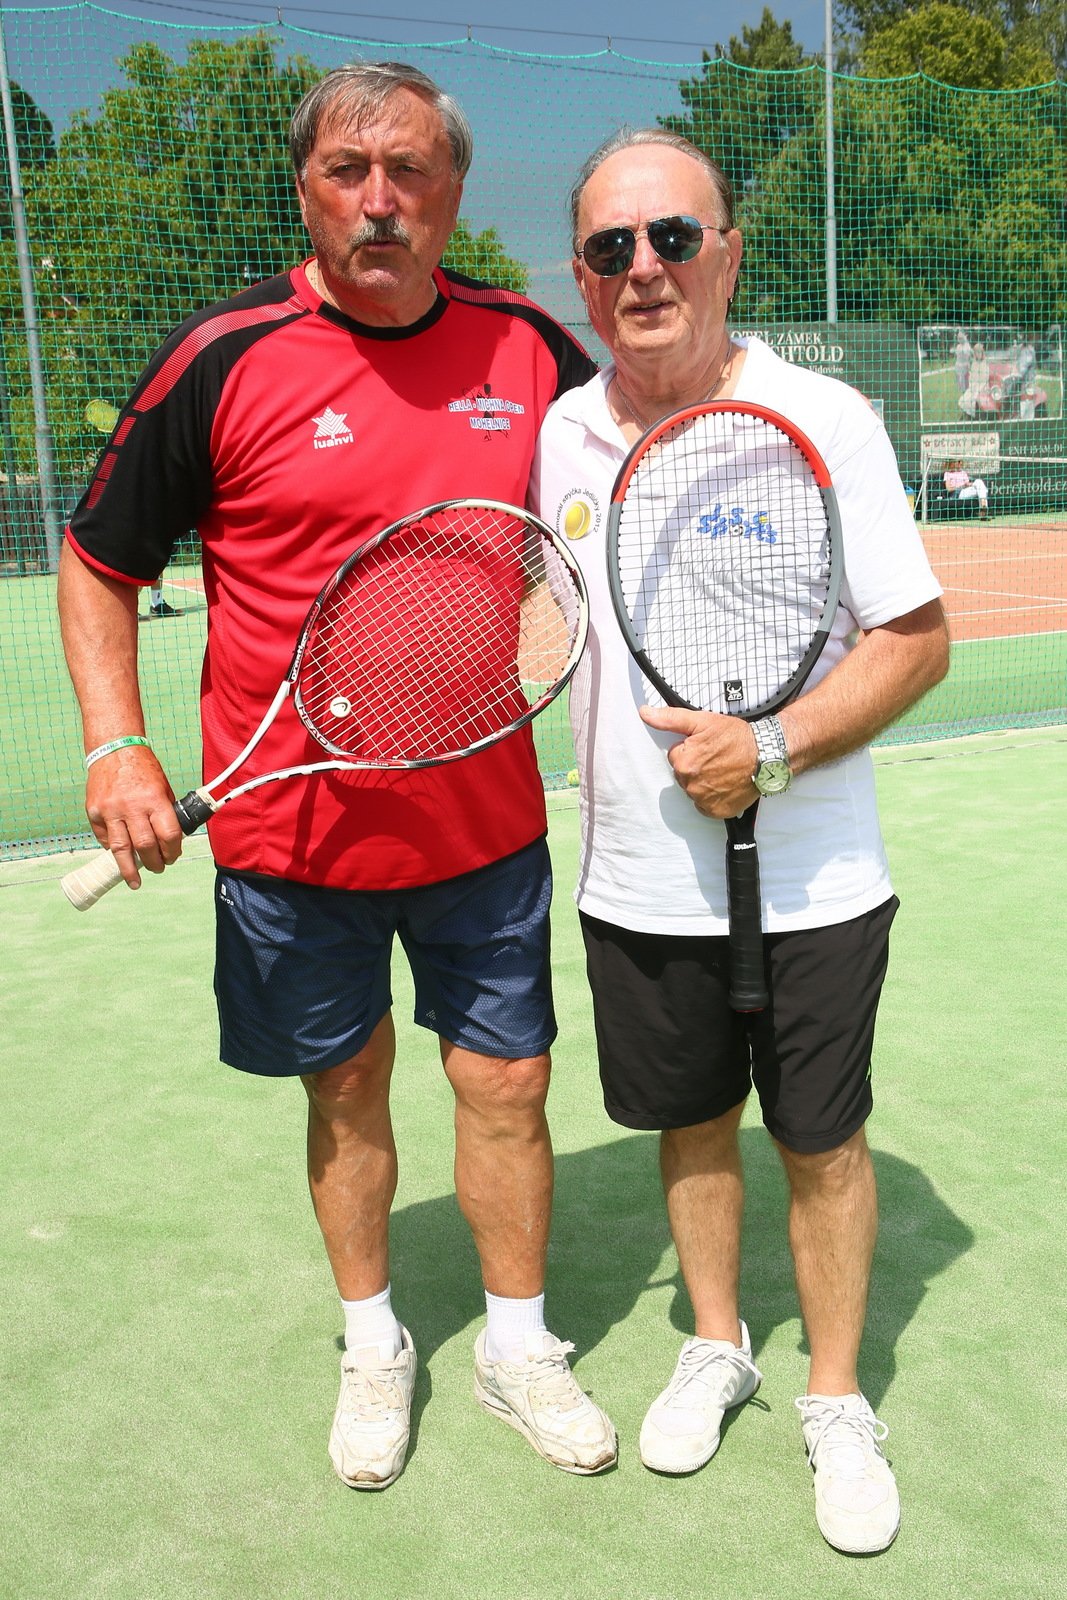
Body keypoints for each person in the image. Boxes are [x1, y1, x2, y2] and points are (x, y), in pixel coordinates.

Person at [58, 61, 616, 1491]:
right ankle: (374, 1345)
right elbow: (101, 558)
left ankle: (515, 1346)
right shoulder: (222, 355)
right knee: (347, 1089)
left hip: (481, 825)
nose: (381, 198)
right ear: (305, 188)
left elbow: (581, 525)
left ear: (451, 192)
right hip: (289, 839)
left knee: (507, 1087)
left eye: (411, 170)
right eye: (348, 170)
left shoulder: (526, 350)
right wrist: (119, 746)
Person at [531, 128, 949, 1555]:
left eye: (669, 238)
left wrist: (772, 746)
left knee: (819, 1141)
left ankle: (834, 1394)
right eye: (608, 249)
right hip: (636, 883)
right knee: (691, 1128)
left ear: (725, 252)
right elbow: (564, 632)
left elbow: (914, 641)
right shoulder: (561, 435)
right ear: (582, 280)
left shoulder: (821, 416)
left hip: (817, 880)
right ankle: (716, 1342)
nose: (640, 269)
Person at [959, 340, 990, 417]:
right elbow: (972, 376)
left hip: (982, 384)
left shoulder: (984, 363)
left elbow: (985, 377)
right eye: (976, 352)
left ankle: (977, 413)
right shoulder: (974, 363)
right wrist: (973, 384)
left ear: (982, 353)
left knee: (976, 396)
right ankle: (968, 414)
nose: (978, 354)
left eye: (980, 352)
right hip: (974, 384)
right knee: (966, 398)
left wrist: (979, 384)